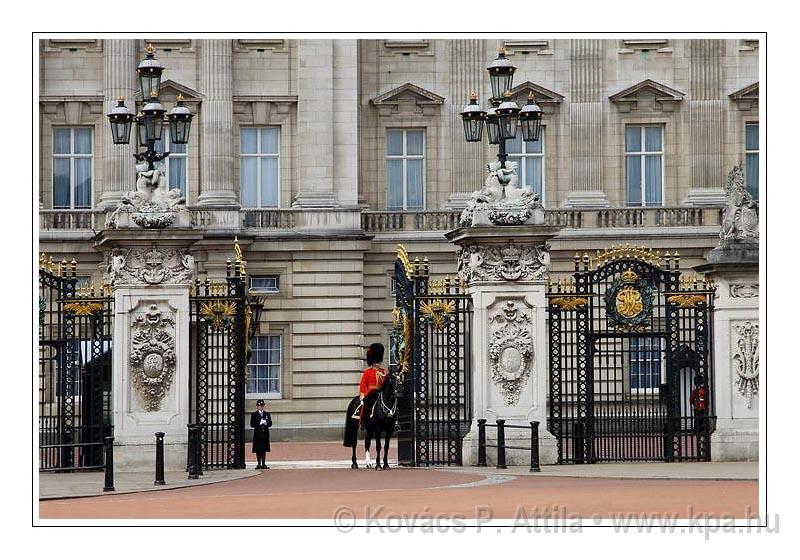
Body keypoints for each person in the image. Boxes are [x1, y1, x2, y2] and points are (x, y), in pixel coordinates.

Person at [352, 343, 387, 427]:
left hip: (380, 392)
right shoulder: (367, 372)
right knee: (365, 404)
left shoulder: (384, 371)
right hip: (370, 392)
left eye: (379, 361)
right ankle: (363, 421)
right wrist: (362, 394)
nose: (379, 363)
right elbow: (363, 385)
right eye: (377, 361)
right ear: (373, 361)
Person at [249, 399, 272, 469]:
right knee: (258, 449)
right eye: (259, 405)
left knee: (264, 449)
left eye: (262, 405)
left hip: (265, 434)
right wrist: (259, 423)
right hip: (257, 434)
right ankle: (259, 463)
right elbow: (252, 424)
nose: (260, 407)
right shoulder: (254, 414)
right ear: (257, 406)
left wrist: (266, 423)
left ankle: (263, 463)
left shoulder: (267, 414)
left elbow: (270, 423)